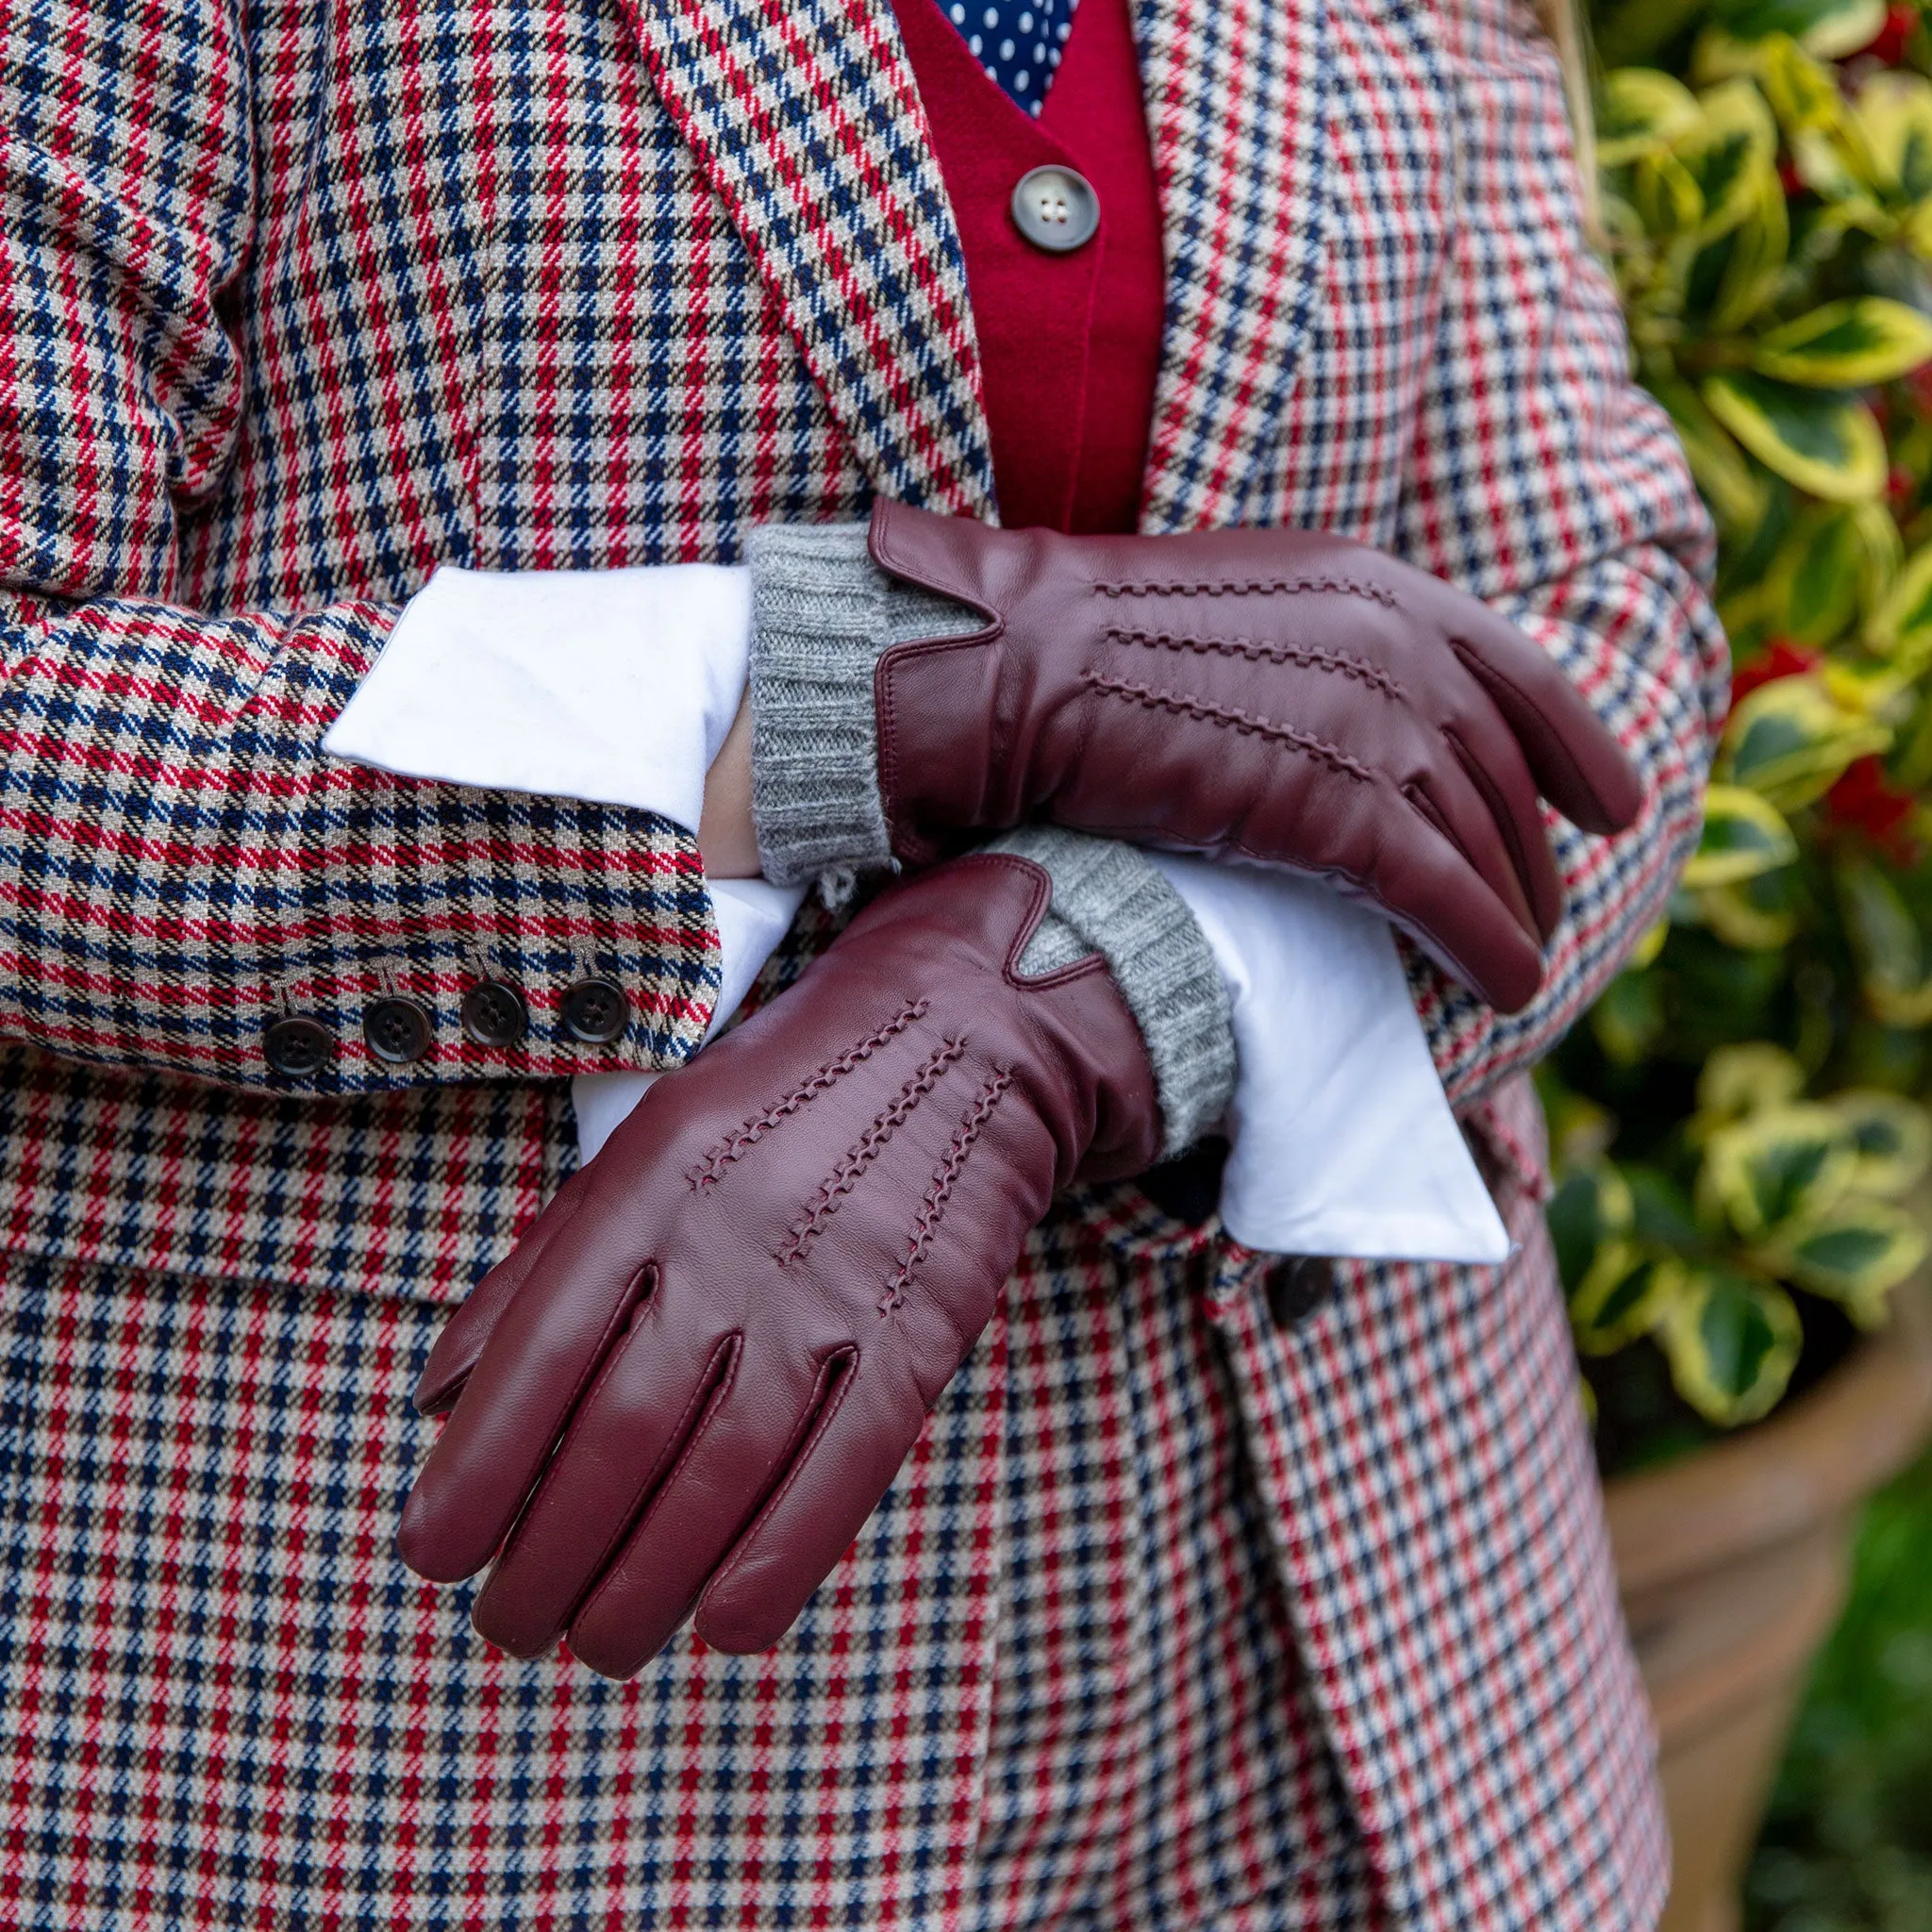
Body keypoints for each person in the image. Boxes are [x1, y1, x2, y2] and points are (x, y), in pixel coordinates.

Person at [0, 0, 1724, 1920]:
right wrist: (879, 688)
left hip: (1369, 1673)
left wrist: (1097, 986)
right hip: (450, 1702)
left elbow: (1603, 638)